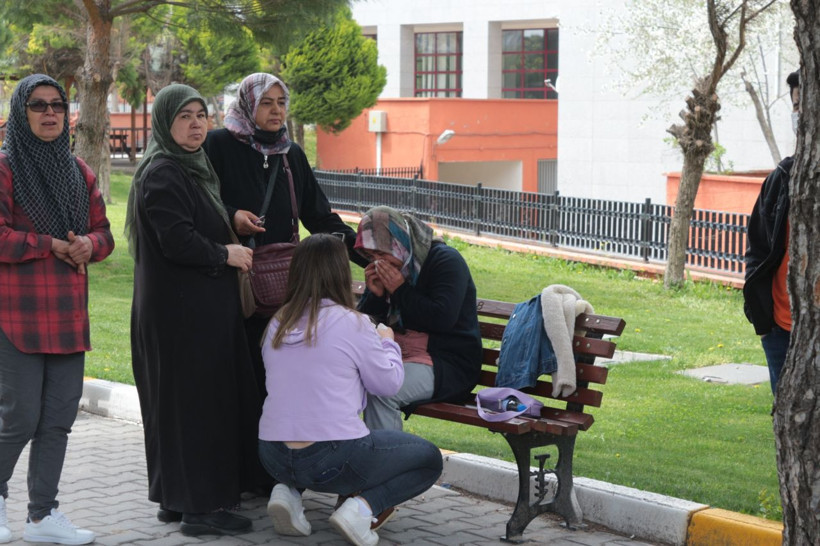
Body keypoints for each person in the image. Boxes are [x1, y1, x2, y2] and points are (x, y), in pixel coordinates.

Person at [124, 84, 260, 537]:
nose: (197, 123)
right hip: (185, 319)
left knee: (178, 409)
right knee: (200, 409)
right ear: (165, 122)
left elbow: (194, 214)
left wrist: (230, 217)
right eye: (184, 116)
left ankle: (175, 499)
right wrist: (227, 254)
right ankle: (202, 509)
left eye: (202, 114)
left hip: (182, 314)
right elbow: (177, 239)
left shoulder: (183, 168)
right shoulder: (164, 172)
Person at [257, 233, 443, 546]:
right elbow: (389, 384)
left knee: (303, 431)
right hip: (331, 459)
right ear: (340, 273)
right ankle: (361, 509)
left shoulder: (278, 321)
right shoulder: (352, 323)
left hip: (272, 453)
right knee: (429, 459)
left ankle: (286, 492)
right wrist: (387, 341)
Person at [203, 72, 368, 402]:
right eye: (266, 103)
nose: (276, 111)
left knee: (277, 385)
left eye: (281, 103)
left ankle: (272, 453)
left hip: (282, 292)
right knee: (236, 383)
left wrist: (366, 254)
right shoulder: (218, 145)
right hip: (232, 287)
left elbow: (320, 217)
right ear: (248, 105)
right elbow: (200, 199)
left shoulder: (290, 153)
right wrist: (233, 214)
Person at [0, 74, 114, 545]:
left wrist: (89, 244)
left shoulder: (79, 172)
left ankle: (42, 517)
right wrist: (51, 244)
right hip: (17, 315)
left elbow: (105, 233)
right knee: (19, 417)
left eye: (58, 106)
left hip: (68, 314)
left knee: (58, 420)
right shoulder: (5, 169)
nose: (50, 113)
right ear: (20, 114)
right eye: (38, 105)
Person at [354, 206, 483, 431]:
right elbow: (365, 328)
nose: (377, 263)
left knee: (384, 391)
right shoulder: (390, 269)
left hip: (447, 364)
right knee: (345, 379)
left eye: (382, 254)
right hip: (401, 355)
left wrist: (400, 291)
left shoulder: (445, 261)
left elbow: (442, 319)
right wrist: (375, 297)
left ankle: (385, 461)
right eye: (371, 256)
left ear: (399, 243)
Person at [744, 70, 800, 395]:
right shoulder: (783, 177)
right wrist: (763, 322)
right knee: (790, 432)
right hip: (780, 331)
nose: (801, 114)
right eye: (796, 106)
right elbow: (758, 248)